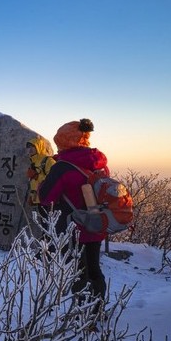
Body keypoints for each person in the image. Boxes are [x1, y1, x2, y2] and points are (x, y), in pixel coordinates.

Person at [38, 119, 108, 320]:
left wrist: (43, 183)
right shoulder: (100, 163)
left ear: (63, 141)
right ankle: (98, 311)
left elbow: (46, 197)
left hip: (73, 226)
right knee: (94, 268)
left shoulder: (62, 167)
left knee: (78, 271)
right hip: (96, 223)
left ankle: (82, 315)